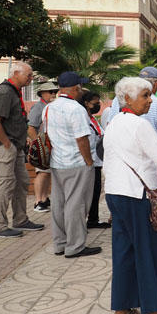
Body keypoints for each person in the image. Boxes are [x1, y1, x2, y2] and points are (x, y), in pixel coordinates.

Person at [103, 76, 157, 314]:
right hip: (138, 195)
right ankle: (156, 311)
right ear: (127, 98)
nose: (150, 101)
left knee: (124, 251)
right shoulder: (139, 125)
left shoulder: (114, 122)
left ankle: (121, 308)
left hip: (116, 192)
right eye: (145, 96)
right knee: (149, 252)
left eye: (150, 95)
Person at [0, 62, 43, 238]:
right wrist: (7, 144)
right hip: (5, 146)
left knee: (22, 181)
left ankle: (20, 219)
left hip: (15, 146)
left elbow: (14, 120)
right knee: (5, 183)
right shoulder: (4, 92)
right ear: (16, 73)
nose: (31, 78)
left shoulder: (14, 91)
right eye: (29, 75)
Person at [47, 71, 100, 257]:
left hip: (57, 162)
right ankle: (75, 246)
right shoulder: (76, 109)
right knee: (76, 205)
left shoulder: (50, 107)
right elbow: (82, 139)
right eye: (81, 87)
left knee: (59, 204)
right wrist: (89, 162)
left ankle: (60, 243)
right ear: (76, 88)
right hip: (77, 162)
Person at [28, 81, 59, 213]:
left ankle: (44, 199)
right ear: (42, 93)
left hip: (49, 146)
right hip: (42, 147)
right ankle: (38, 201)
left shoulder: (51, 106)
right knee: (42, 173)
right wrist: (39, 146)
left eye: (55, 91)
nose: (53, 94)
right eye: (50, 92)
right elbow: (30, 128)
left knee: (47, 174)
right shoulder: (38, 107)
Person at [80, 90, 110, 229]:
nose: (98, 105)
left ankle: (93, 219)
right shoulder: (83, 118)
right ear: (86, 103)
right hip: (89, 160)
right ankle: (86, 220)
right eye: (95, 103)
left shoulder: (91, 118)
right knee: (89, 192)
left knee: (96, 191)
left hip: (97, 160)